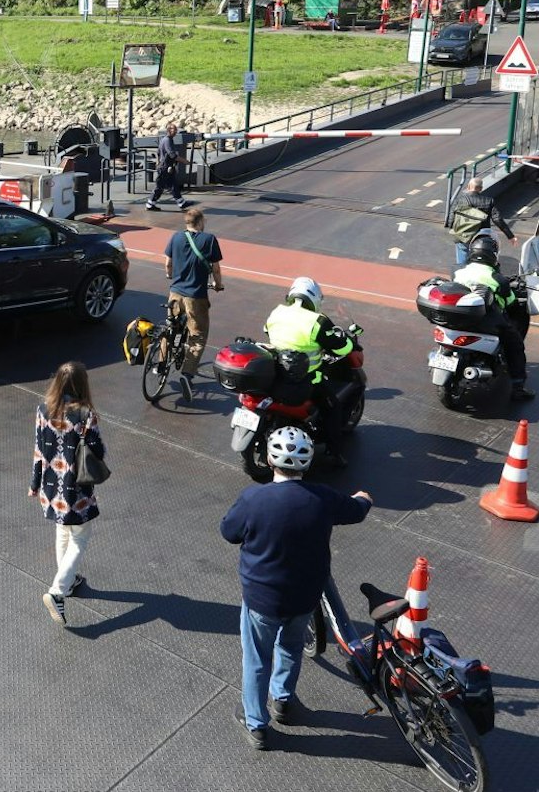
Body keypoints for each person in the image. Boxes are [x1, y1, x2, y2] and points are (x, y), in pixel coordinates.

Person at [221, 426, 373, 749]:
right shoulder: (322, 499)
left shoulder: (253, 499)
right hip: (305, 597)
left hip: (261, 599)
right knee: (290, 646)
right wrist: (364, 499)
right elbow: (356, 510)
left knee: (256, 658)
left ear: (270, 461)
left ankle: (256, 723)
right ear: (305, 464)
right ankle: (283, 700)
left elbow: (228, 531)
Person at [29, 361, 105, 626]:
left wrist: (34, 482)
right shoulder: (85, 414)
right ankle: (58, 591)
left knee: (63, 531)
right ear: (82, 384)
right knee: (80, 537)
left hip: (51, 486)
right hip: (76, 488)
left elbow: (39, 449)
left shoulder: (43, 409)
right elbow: (98, 451)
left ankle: (69, 581)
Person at [261, 277, 357, 464]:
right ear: (314, 298)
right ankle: (334, 454)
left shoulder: (277, 312)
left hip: (277, 372)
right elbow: (340, 348)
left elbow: (266, 330)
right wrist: (349, 342)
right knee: (332, 407)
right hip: (309, 377)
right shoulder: (318, 321)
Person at [454, 236, 533, 400]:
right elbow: (511, 302)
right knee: (515, 345)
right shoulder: (497, 278)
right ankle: (518, 387)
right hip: (486, 322)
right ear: (493, 255)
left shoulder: (458, 271)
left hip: (458, 319)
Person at [163, 207, 225, 397]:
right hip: (195, 297)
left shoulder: (175, 237)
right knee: (197, 336)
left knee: (169, 328)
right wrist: (217, 284)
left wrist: (170, 275)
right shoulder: (209, 239)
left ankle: (159, 363)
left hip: (175, 293)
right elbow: (215, 269)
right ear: (200, 222)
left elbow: (168, 263)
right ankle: (187, 375)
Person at [448, 177, 516, 267]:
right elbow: (497, 219)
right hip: (481, 238)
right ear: (481, 188)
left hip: (463, 236)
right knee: (480, 263)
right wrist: (510, 236)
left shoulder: (459, 200)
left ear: (468, 187)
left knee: (462, 265)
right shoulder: (488, 201)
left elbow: (450, 221)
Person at [145, 121, 190, 212]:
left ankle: (181, 203)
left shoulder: (164, 140)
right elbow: (172, 154)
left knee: (173, 185)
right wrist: (184, 161)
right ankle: (150, 204)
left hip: (167, 167)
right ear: (169, 130)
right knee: (160, 187)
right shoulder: (168, 140)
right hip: (165, 168)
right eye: (174, 129)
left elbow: (158, 152)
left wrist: (158, 162)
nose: (176, 131)